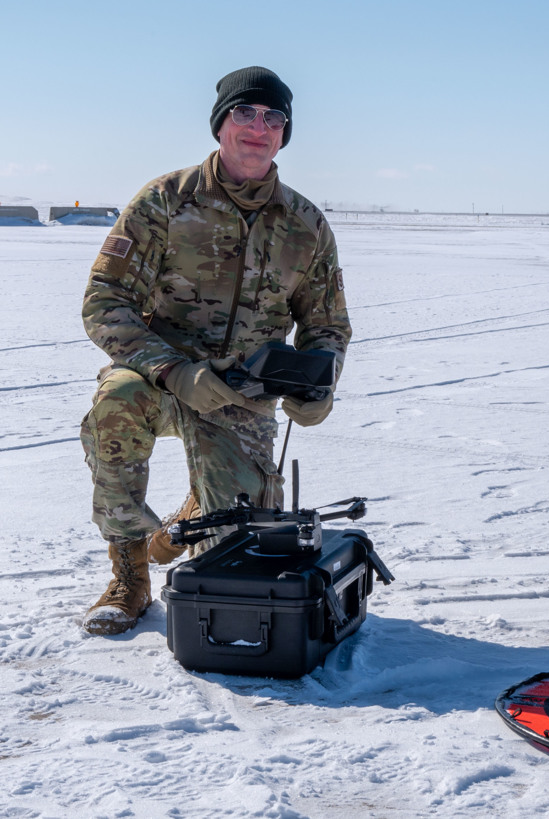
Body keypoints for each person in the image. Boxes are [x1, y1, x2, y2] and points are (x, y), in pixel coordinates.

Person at [80, 66, 351, 635]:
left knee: (244, 543)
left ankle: (186, 522)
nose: (259, 127)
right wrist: (175, 370)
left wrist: (319, 385)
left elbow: (327, 325)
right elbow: (106, 301)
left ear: (285, 133)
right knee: (116, 402)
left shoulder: (305, 225)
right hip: (162, 381)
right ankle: (129, 577)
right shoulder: (165, 202)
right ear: (220, 125)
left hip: (244, 397)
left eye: (273, 117)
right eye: (244, 113)